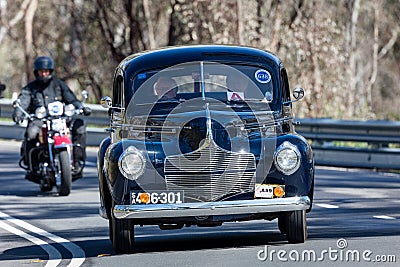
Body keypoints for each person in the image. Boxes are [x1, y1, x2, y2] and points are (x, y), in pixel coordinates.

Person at [12, 56, 91, 178]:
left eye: (46, 71)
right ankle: (33, 166)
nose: (44, 74)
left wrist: (81, 107)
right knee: (31, 133)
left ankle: (78, 162)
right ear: (36, 72)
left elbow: (71, 99)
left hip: (60, 118)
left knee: (79, 126)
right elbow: (23, 100)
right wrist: (18, 113)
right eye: (41, 71)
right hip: (40, 120)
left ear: (50, 71)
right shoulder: (30, 88)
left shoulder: (59, 85)